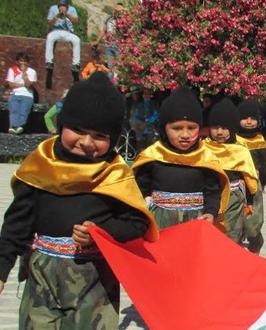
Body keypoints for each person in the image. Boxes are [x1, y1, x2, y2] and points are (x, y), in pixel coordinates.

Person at [0, 72, 158, 328]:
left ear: (113, 139)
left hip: (94, 280)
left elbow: (136, 224)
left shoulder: (115, 174)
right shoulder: (40, 167)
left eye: (99, 136)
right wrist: (2, 267)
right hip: (43, 276)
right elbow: (17, 224)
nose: (86, 142)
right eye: (78, 130)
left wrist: (101, 233)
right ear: (62, 125)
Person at [132, 87, 229, 229]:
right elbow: (140, 188)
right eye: (177, 128)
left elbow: (212, 191)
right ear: (164, 128)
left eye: (191, 128)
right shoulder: (152, 156)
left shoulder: (205, 158)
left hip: (196, 221)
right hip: (160, 223)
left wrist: (210, 212)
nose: (185, 135)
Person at [204, 98, 259, 245]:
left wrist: (251, 201)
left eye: (224, 127)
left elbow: (249, 178)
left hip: (234, 198)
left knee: (232, 237)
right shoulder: (202, 149)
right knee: (210, 238)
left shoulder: (240, 151)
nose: (219, 132)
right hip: (206, 199)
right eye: (215, 127)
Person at [236, 99, 266, 254]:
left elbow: (265, 163)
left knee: (254, 222)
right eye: (245, 118)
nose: (249, 122)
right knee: (236, 220)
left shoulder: (260, 140)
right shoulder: (233, 139)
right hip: (236, 184)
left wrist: (264, 182)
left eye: (253, 118)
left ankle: (256, 242)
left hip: (255, 185)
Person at [45, 0, 81, 88]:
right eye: (60, 5)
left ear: (67, 6)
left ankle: (76, 64)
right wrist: (57, 16)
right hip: (56, 31)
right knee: (49, 37)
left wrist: (67, 15)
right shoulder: (53, 8)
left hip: (68, 32)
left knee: (77, 40)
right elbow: (49, 23)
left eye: (64, 5)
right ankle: (49, 62)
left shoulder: (72, 9)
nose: (62, 7)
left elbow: (77, 22)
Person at [6, 52, 37, 134]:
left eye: (25, 61)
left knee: (24, 111)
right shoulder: (12, 70)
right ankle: (13, 127)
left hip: (27, 95)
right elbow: (11, 85)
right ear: (17, 61)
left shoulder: (32, 72)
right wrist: (21, 84)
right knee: (14, 110)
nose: (23, 63)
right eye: (21, 61)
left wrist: (24, 74)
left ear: (28, 62)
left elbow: (28, 85)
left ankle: (20, 127)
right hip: (15, 94)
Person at [91, 3, 124, 79]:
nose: (118, 12)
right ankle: (110, 85)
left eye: (120, 10)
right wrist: (97, 41)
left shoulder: (123, 20)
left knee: (119, 67)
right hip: (109, 46)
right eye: (116, 10)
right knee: (110, 66)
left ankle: (116, 85)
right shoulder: (109, 19)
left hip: (119, 46)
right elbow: (103, 30)